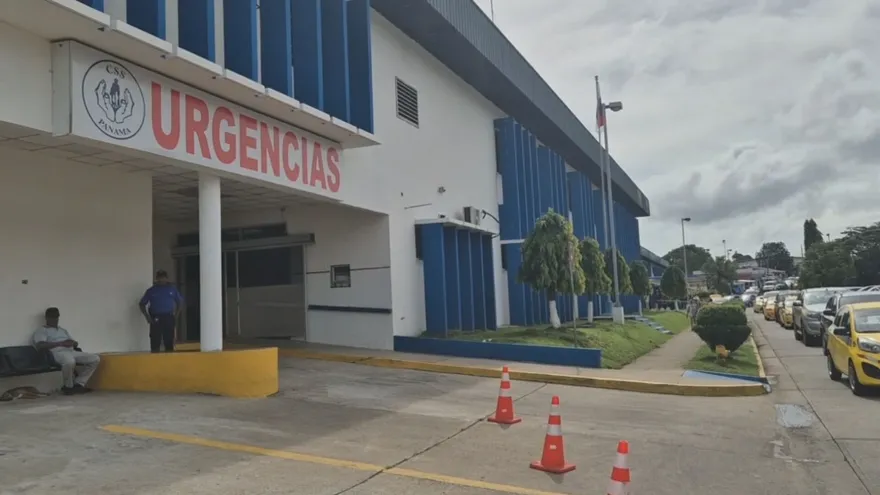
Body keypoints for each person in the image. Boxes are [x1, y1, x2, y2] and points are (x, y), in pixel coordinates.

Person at [32, 307, 101, 395]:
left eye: (56, 317)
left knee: (95, 359)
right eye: (52, 317)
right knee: (69, 361)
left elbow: (74, 342)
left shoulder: (62, 330)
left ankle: (79, 383)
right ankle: (68, 386)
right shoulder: (42, 330)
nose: (55, 319)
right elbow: (40, 345)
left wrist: (73, 343)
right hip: (56, 353)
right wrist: (60, 344)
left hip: (71, 351)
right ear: (47, 318)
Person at [139, 270, 184, 353]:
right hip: (155, 317)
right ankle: (155, 361)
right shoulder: (151, 291)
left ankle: (169, 361)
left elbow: (180, 302)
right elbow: (142, 304)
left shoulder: (172, 289)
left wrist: (176, 316)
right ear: (157, 278)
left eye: (163, 277)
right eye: (159, 278)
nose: (161, 280)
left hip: (168, 317)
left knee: (169, 340)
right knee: (155, 340)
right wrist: (147, 317)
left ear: (166, 278)